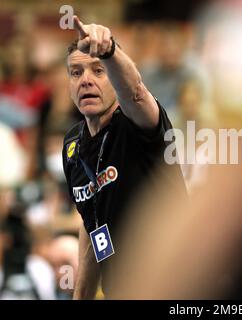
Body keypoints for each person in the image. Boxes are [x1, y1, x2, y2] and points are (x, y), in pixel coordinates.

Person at [61, 16, 185, 299]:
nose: (86, 81)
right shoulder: (72, 145)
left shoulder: (138, 122)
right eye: (76, 73)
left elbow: (136, 93)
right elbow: (91, 222)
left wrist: (109, 51)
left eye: (98, 70)